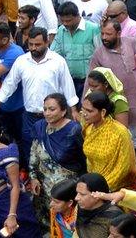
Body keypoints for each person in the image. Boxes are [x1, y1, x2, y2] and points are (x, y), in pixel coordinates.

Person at [0, 27, 79, 167]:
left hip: (54, 117)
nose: (34, 48)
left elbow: (68, 86)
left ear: (47, 42)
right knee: (29, 147)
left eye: (37, 44)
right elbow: (9, 85)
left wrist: (74, 110)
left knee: (54, 150)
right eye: (31, 45)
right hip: (30, 116)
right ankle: (32, 177)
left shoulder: (58, 61)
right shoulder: (21, 61)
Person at [89, 19, 136, 148]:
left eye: (108, 34)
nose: (104, 38)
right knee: (121, 139)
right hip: (117, 106)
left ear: (118, 33)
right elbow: (90, 82)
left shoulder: (132, 42)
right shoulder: (98, 55)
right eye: (102, 34)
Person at [28, 93, 85, 229]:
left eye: (52, 109)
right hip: (43, 188)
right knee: (48, 222)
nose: (47, 113)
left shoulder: (73, 130)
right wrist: (33, 177)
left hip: (65, 188)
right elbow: (34, 153)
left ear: (64, 111)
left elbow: (84, 159)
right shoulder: (39, 126)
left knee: (67, 224)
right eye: (45, 109)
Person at [80, 91, 136, 191]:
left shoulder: (119, 132)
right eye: (83, 109)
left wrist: (102, 189)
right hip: (93, 183)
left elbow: (124, 167)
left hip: (115, 189)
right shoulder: (88, 128)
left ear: (103, 112)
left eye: (89, 111)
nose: (84, 114)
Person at [73, 173, 126, 238]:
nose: (76, 198)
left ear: (97, 196)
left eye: (82, 194)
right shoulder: (81, 207)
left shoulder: (115, 217)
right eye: (77, 193)